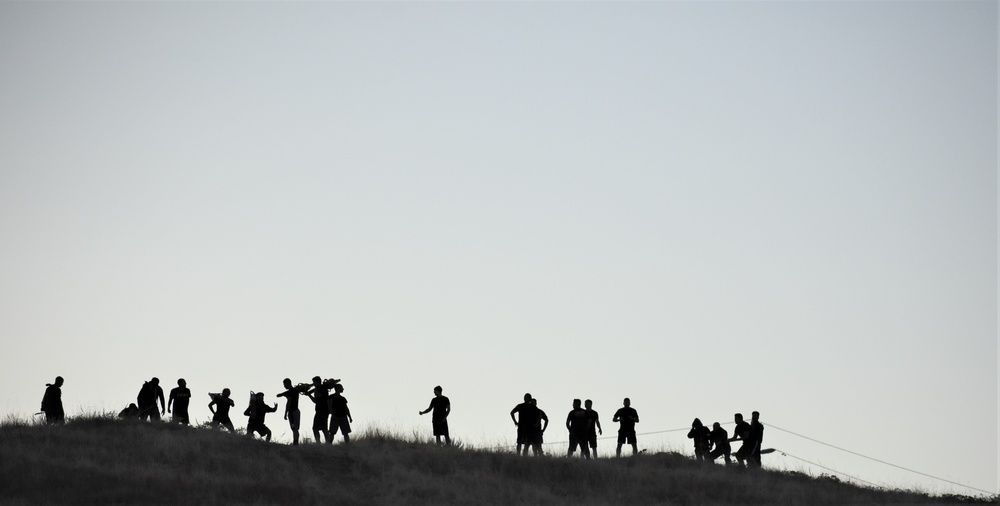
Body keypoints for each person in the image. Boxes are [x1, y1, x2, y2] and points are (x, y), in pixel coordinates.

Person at [277, 379, 309, 445]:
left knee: (294, 429)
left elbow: (288, 402)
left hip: (292, 412)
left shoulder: (290, 392)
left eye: (284, 384)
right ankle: (295, 442)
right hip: (296, 411)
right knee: (295, 429)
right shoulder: (295, 390)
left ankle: (295, 443)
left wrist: (285, 413)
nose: (284, 386)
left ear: (287, 383)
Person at [306, 376, 331, 444]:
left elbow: (317, 399)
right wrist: (309, 395)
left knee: (321, 428)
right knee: (320, 428)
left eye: (314, 382)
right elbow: (316, 400)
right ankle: (325, 443)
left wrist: (310, 394)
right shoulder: (320, 389)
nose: (313, 384)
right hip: (320, 411)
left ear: (317, 382)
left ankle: (324, 442)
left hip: (322, 411)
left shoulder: (321, 389)